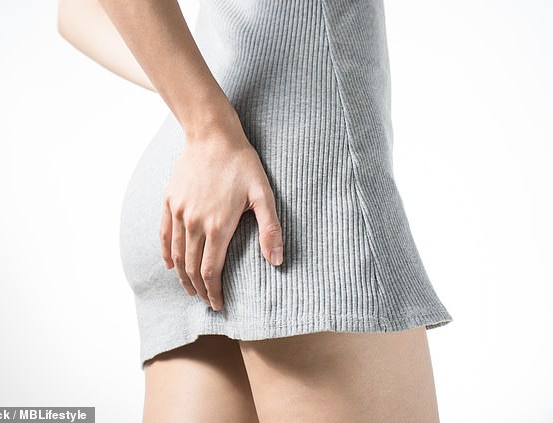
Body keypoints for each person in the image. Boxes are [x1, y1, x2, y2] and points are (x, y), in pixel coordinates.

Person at [58, 0, 454, 421]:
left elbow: (74, 12)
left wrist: (202, 98)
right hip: (304, 196)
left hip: (199, 184)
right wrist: (210, 128)